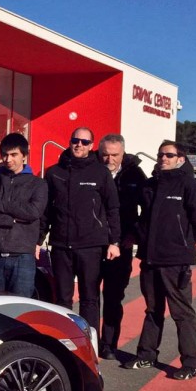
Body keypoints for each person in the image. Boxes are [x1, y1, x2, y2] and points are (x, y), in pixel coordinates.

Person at [125, 142, 196, 379]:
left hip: (175, 261)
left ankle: (191, 363)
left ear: (180, 158)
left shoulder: (188, 185)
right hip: (150, 259)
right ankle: (146, 355)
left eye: (169, 155)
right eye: (161, 154)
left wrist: (184, 242)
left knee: (182, 312)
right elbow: (144, 218)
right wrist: (140, 236)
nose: (164, 158)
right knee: (153, 310)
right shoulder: (151, 184)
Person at [40, 127, 121, 332]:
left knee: (89, 298)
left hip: (91, 246)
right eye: (76, 140)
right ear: (70, 141)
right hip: (61, 246)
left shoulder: (101, 172)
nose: (79, 145)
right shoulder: (54, 172)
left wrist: (114, 241)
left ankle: (90, 344)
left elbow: (112, 208)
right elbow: (45, 210)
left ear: (91, 146)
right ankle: (63, 342)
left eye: (84, 142)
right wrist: (38, 239)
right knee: (62, 298)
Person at [0, 133, 47, 297]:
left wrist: (0, 205)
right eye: (5, 155)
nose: (8, 159)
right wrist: (11, 219)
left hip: (22, 256)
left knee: (20, 309)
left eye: (14, 155)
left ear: (24, 156)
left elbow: (33, 212)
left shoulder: (38, 184)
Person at [96, 134, 147, 359]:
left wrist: (135, 233)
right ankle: (88, 343)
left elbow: (149, 207)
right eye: (105, 154)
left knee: (113, 296)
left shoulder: (135, 175)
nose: (109, 159)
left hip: (121, 246)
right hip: (93, 244)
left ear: (123, 154)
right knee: (90, 297)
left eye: (114, 155)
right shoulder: (92, 171)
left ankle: (108, 344)